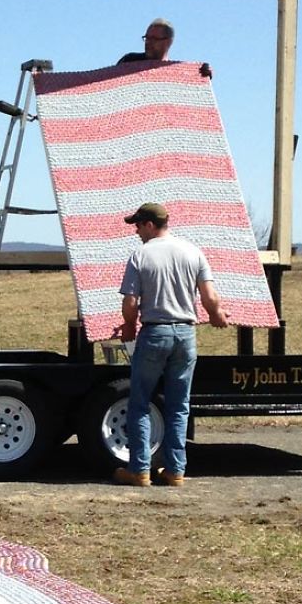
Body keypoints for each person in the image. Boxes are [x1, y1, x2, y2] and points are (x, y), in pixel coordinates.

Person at [114, 202, 228, 487]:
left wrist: (129, 326)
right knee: (179, 405)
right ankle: (175, 470)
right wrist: (216, 315)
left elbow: (131, 302)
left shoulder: (141, 255)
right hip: (186, 334)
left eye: (138, 226)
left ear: (150, 225)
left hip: (155, 332)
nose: (136, 232)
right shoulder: (192, 251)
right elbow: (209, 296)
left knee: (140, 402)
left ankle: (139, 470)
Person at [118, 18, 212, 77]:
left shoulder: (177, 73)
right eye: (147, 38)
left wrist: (202, 75)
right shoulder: (129, 61)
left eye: (154, 39)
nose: (148, 42)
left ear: (168, 42)